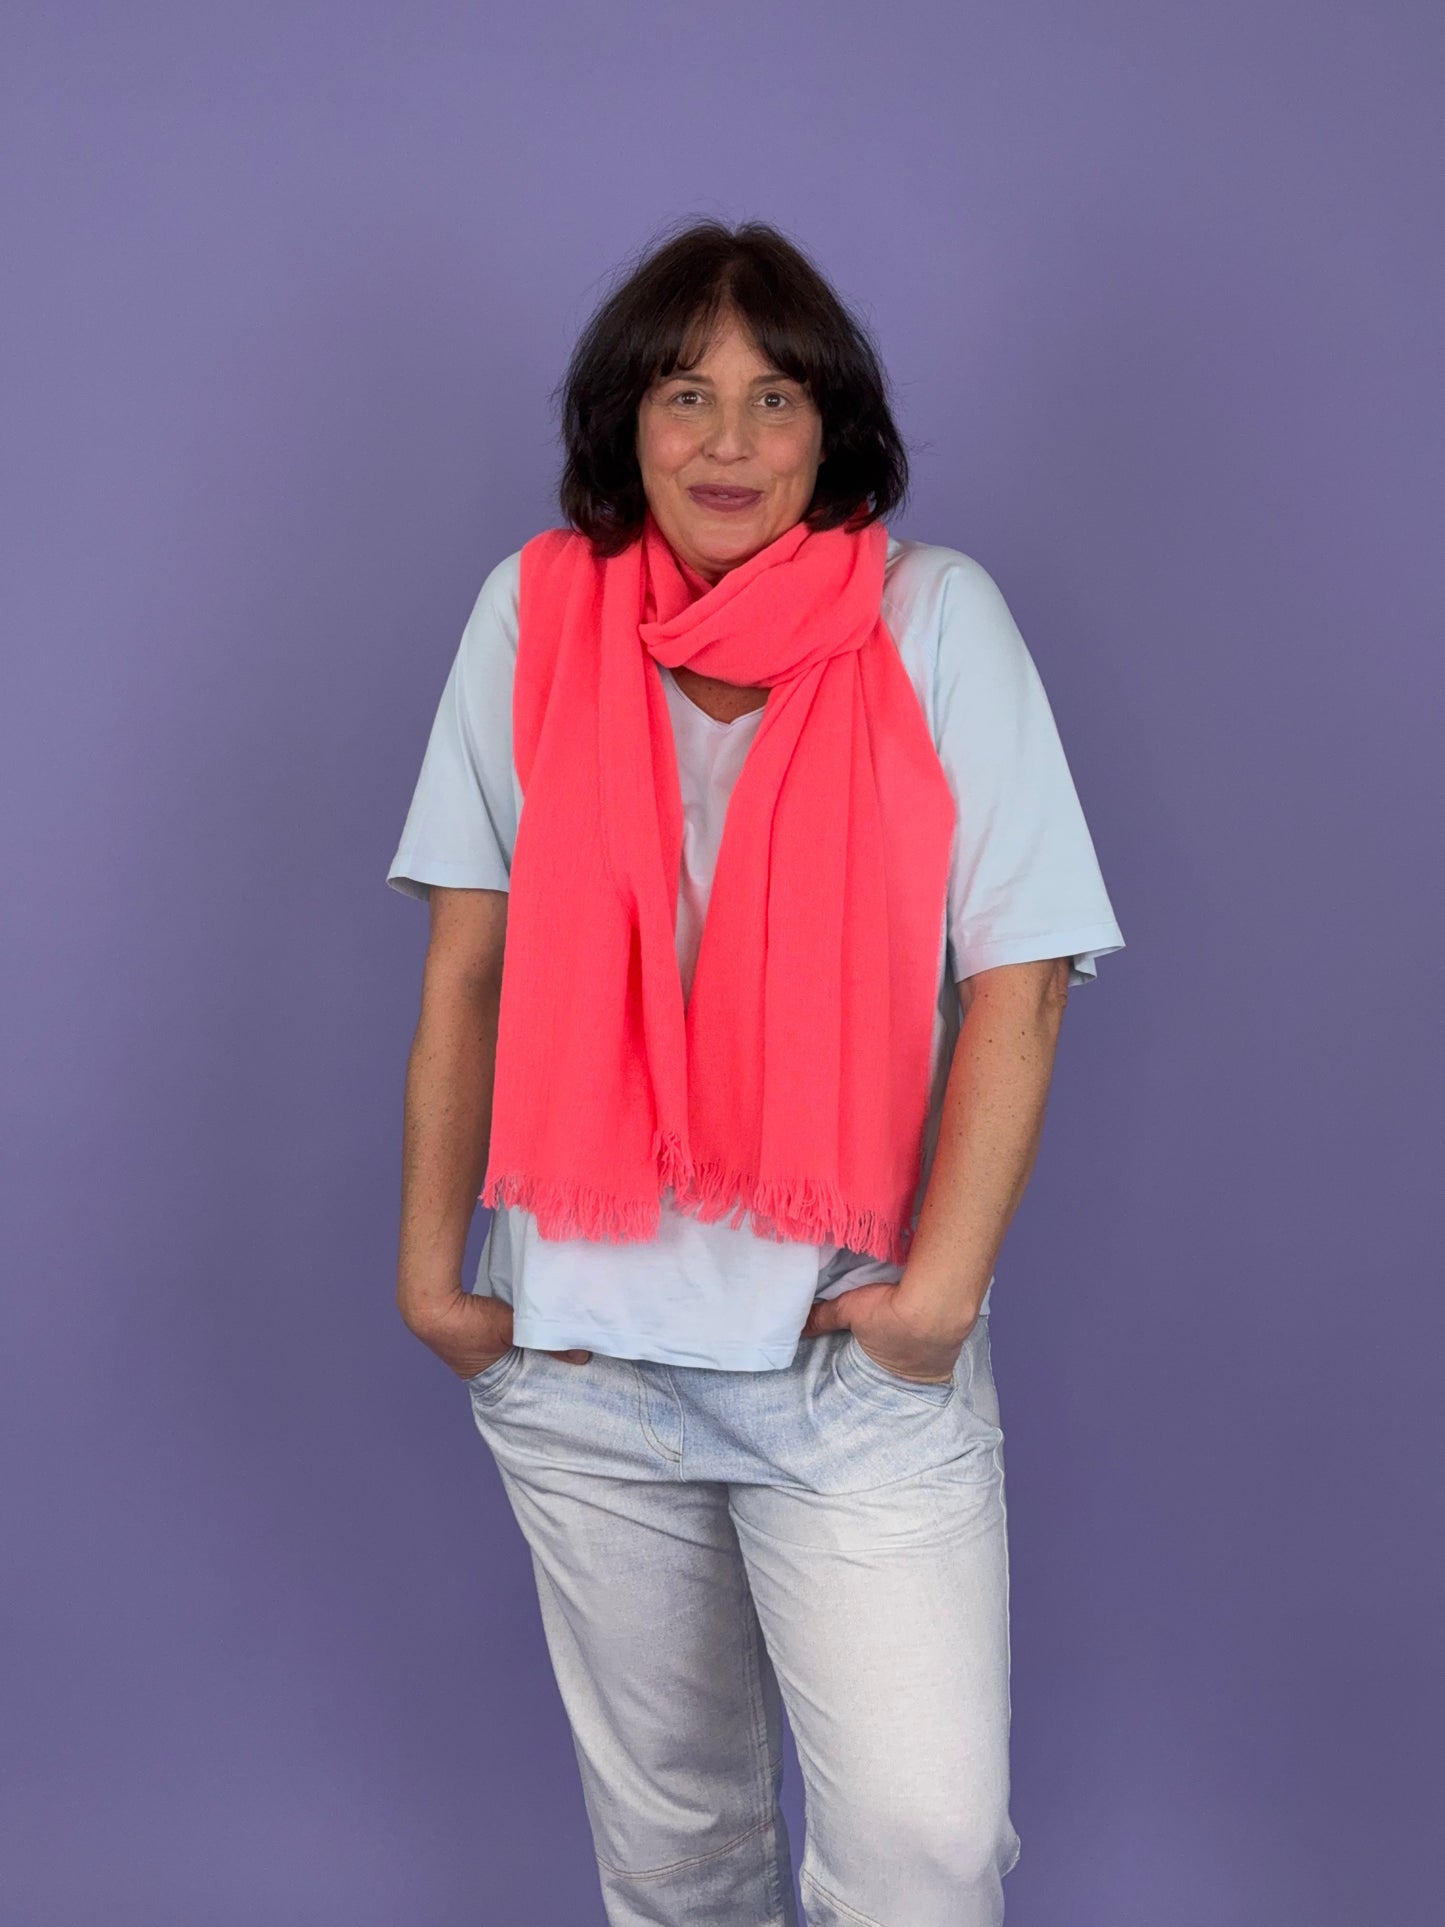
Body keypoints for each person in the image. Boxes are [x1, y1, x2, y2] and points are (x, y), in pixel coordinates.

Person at [386, 218, 1125, 1927]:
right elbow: (468, 962)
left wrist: (939, 1297)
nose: (727, 441)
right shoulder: (534, 613)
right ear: (624, 423)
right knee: (678, 1858)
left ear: (830, 425)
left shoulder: (930, 620)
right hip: (581, 1362)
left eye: (773, 397)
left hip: (841, 1365)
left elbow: (1021, 977)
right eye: (684, 395)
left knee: (922, 1853)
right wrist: (433, 1280)